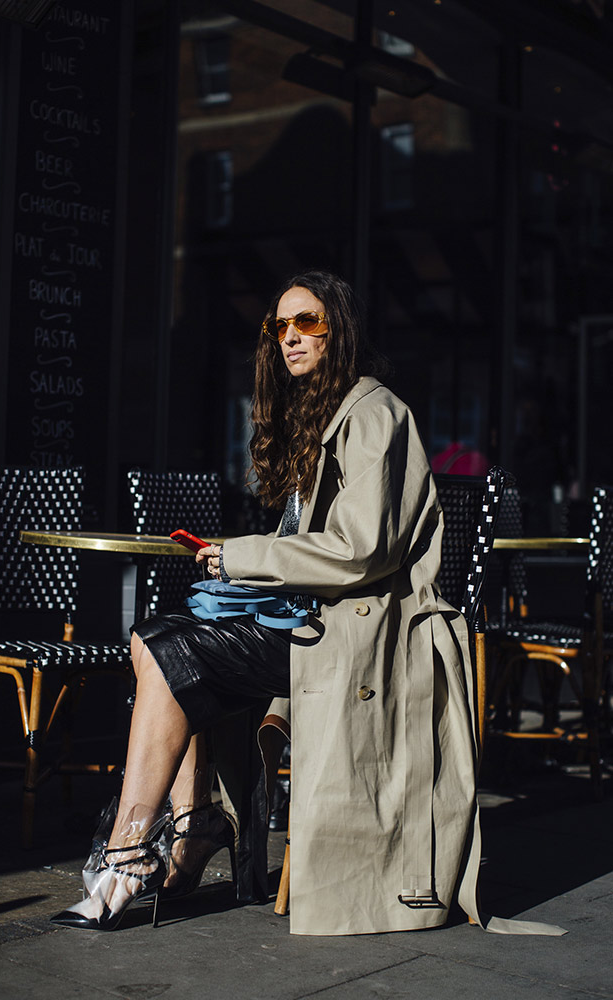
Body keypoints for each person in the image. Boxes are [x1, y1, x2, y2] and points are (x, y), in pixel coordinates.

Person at [50, 270, 556, 937]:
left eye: (307, 322)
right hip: (318, 621)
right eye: (278, 327)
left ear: (337, 328)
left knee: (170, 650)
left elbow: (359, 550)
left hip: (364, 638)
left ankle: (139, 850)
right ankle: (183, 827)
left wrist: (241, 556)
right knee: (159, 638)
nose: (290, 337)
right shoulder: (323, 413)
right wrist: (244, 572)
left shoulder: (372, 413)